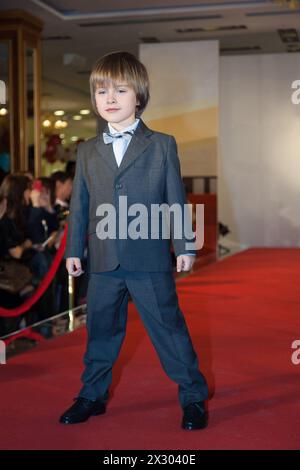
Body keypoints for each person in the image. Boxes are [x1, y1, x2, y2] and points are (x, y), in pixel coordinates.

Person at [60, 51, 209, 430]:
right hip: (104, 260)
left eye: (120, 90)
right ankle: (91, 396)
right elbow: (80, 206)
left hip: (149, 258)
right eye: (101, 92)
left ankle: (193, 397)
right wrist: (74, 250)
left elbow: (175, 198)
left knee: (169, 331)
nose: (109, 99)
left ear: (138, 96)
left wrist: (185, 246)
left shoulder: (161, 145)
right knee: (101, 334)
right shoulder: (87, 151)